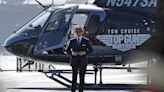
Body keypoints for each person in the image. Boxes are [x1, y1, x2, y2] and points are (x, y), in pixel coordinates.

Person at [66, 25, 93, 92]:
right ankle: (73, 90)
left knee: (82, 77)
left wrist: (85, 52)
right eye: (77, 31)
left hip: (82, 61)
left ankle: (81, 90)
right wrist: (72, 53)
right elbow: (67, 50)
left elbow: (91, 50)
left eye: (79, 31)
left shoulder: (86, 40)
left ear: (82, 32)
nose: (78, 33)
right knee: (74, 77)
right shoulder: (72, 41)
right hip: (74, 61)